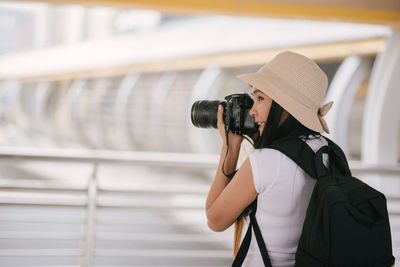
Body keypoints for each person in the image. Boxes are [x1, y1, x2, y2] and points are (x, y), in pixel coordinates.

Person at [205, 51, 334, 266]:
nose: (253, 111)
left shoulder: (267, 160)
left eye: (260, 98)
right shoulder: (325, 151)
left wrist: (229, 148)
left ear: (285, 106)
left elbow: (215, 220)